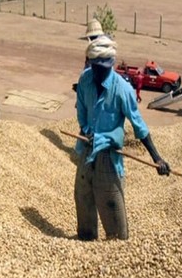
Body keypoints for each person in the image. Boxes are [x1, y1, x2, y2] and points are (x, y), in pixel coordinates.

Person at [73, 36, 171, 241]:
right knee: (83, 196)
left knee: (111, 201)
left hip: (108, 153)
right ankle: (86, 238)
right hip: (87, 147)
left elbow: (139, 126)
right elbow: (81, 107)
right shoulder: (85, 79)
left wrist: (157, 159)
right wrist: (85, 129)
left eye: (105, 67)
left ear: (112, 64)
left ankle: (118, 246)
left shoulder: (122, 89)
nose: (100, 72)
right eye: (96, 67)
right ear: (90, 63)